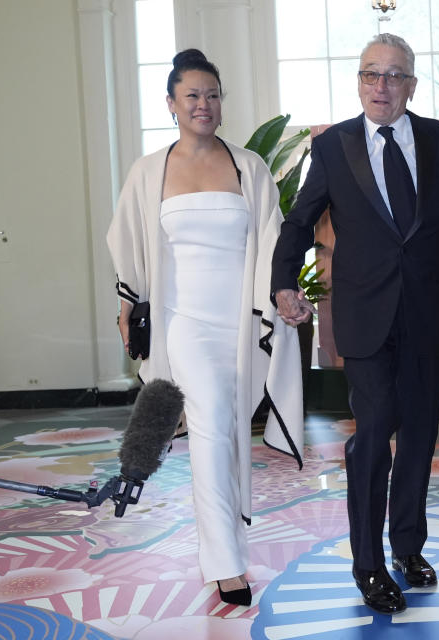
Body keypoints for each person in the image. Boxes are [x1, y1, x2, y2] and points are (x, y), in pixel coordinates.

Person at [270, 33, 439, 614]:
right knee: (375, 431)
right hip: (363, 318)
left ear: (411, 85)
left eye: (393, 76)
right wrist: (285, 281)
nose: (380, 86)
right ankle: (368, 564)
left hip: (426, 315)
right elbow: (300, 221)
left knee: (418, 438)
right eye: (370, 75)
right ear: (358, 82)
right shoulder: (333, 147)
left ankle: (408, 546)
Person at [107, 49, 303, 607]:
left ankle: (229, 541)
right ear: (170, 103)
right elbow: (130, 250)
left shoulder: (249, 167)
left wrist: (285, 296)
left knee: (231, 434)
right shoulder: (149, 171)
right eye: (192, 95)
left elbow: (272, 241)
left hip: (239, 326)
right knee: (213, 427)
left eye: (212, 95)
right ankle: (225, 563)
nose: (204, 105)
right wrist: (127, 312)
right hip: (183, 323)